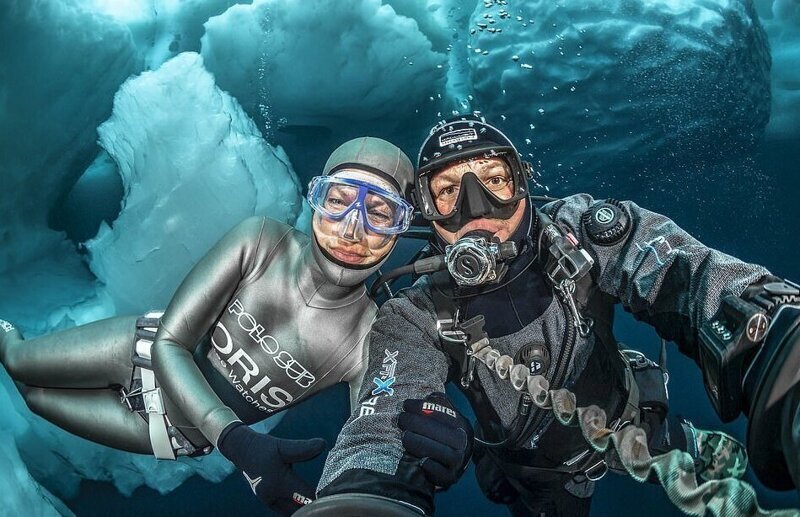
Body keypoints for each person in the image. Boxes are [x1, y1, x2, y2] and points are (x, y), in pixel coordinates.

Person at [314, 116, 800, 515]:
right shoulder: (414, 314)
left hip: (628, 416)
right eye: (448, 192)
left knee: (688, 453)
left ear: (522, 185)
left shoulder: (583, 233)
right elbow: (378, 421)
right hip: (538, 476)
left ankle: (700, 447)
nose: (476, 208)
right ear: (428, 212)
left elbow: (680, 269)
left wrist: (768, 329)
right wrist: (368, 488)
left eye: (495, 181)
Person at [0, 136, 416, 515]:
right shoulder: (261, 241)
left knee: (34, 400)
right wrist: (237, 442)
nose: (351, 226)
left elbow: (371, 447)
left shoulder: (370, 338)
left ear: (400, 230)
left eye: (380, 212)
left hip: (168, 434)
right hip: (138, 353)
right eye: (337, 200)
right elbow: (170, 343)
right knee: (18, 361)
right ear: (315, 198)